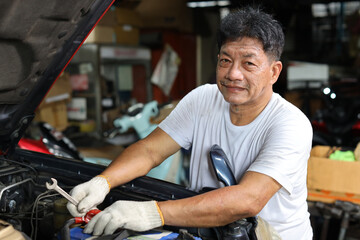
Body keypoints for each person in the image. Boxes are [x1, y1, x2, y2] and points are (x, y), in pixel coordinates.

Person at [67, 6, 313, 240]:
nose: (233, 74)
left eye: (248, 63)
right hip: (211, 229)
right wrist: (103, 181)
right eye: (226, 60)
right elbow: (151, 150)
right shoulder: (202, 99)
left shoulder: (290, 125)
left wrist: (153, 213)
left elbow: (248, 200)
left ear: (274, 72)